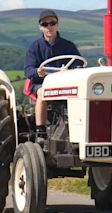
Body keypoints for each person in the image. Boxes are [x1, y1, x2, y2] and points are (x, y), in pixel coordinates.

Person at [24, 9, 82, 137]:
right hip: (41, 83)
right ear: (41, 27)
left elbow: (78, 63)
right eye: (45, 24)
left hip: (65, 84)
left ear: (57, 25)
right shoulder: (35, 47)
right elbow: (28, 70)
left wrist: (75, 69)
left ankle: (79, 126)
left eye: (52, 23)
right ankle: (41, 130)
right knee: (43, 92)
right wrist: (37, 72)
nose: (49, 27)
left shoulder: (68, 46)